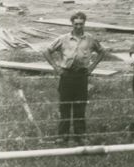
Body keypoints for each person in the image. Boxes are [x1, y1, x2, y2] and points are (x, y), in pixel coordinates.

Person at [44, 11, 106, 145]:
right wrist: (56, 68)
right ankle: (63, 136)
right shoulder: (63, 39)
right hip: (66, 75)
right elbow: (47, 51)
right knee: (65, 106)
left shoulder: (90, 39)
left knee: (80, 106)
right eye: (76, 24)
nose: (78, 26)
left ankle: (80, 135)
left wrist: (91, 68)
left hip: (81, 76)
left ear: (84, 23)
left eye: (81, 24)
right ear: (72, 24)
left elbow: (102, 52)